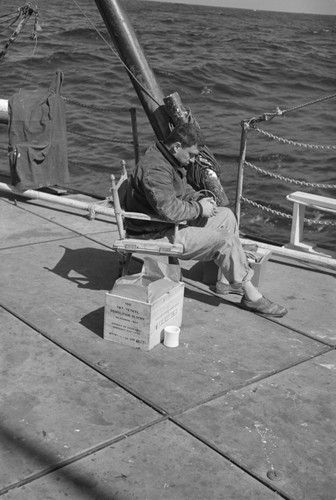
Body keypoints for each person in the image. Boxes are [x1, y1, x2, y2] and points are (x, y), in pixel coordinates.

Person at [125, 122, 287, 317]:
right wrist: (200, 208)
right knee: (225, 241)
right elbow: (170, 210)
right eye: (191, 154)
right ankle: (252, 297)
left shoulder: (167, 158)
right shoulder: (156, 169)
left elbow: (181, 190)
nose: (193, 160)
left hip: (165, 224)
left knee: (226, 216)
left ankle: (226, 282)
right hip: (155, 233)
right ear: (176, 146)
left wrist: (198, 198)